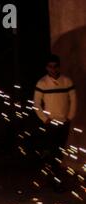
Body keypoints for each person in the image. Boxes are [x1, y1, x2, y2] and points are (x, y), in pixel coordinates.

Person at [34, 54, 77, 189]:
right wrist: (45, 119)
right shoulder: (42, 83)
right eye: (50, 66)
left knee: (59, 150)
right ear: (47, 68)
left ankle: (54, 177)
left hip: (63, 121)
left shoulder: (67, 81)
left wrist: (69, 117)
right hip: (50, 122)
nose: (53, 69)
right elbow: (36, 103)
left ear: (59, 67)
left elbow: (73, 100)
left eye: (55, 66)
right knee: (52, 150)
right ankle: (53, 178)